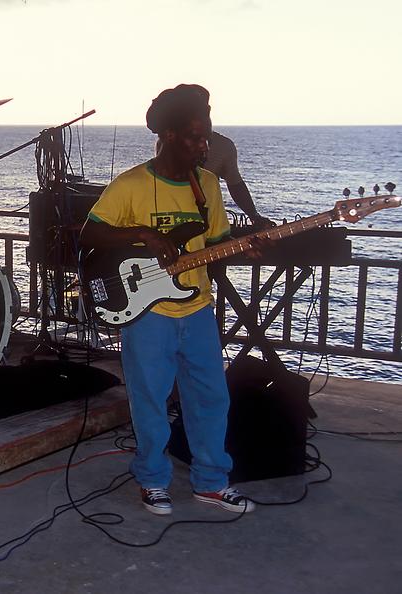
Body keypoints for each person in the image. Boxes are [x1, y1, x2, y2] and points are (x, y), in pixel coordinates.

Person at [80, 85, 258, 516]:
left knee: (211, 397)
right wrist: (143, 234)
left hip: (196, 307)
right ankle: (153, 478)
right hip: (149, 312)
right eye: (196, 136)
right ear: (170, 136)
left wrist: (239, 248)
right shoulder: (131, 185)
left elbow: (215, 244)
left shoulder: (208, 186)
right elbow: (90, 235)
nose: (205, 145)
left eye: (207, 136)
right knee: (150, 400)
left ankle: (212, 482)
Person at [155, 84, 274, 228]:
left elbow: (235, 184)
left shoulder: (224, 147)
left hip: (208, 222)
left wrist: (254, 216)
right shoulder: (168, 142)